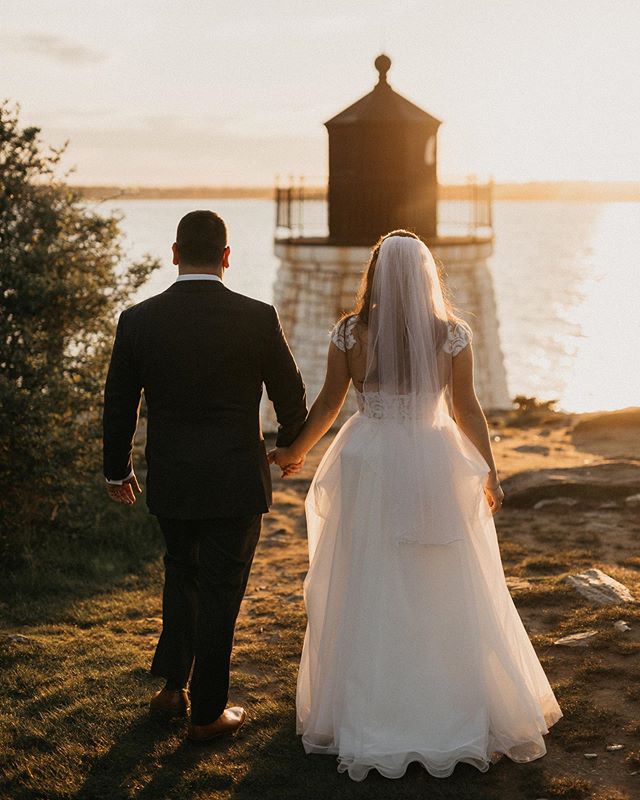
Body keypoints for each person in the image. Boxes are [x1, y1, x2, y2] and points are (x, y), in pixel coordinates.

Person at [269, 230, 562, 781]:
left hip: (369, 458)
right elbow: (468, 408)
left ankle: (373, 706)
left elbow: (331, 401)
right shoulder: (451, 335)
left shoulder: (350, 332)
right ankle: (445, 701)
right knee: (439, 576)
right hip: (433, 456)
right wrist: (489, 472)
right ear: (427, 274)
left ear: (375, 274)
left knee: (369, 574)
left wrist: (295, 453)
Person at [103, 210, 307, 743]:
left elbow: (120, 404)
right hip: (236, 479)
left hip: (172, 478)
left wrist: (116, 468)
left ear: (174, 254)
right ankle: (207, 713)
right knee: (221, 590)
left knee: (181, 574)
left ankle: (174, 688)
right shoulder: (257, 317)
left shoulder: (138, 319)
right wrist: (288, 448)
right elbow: (291, 395)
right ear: (226, 257)